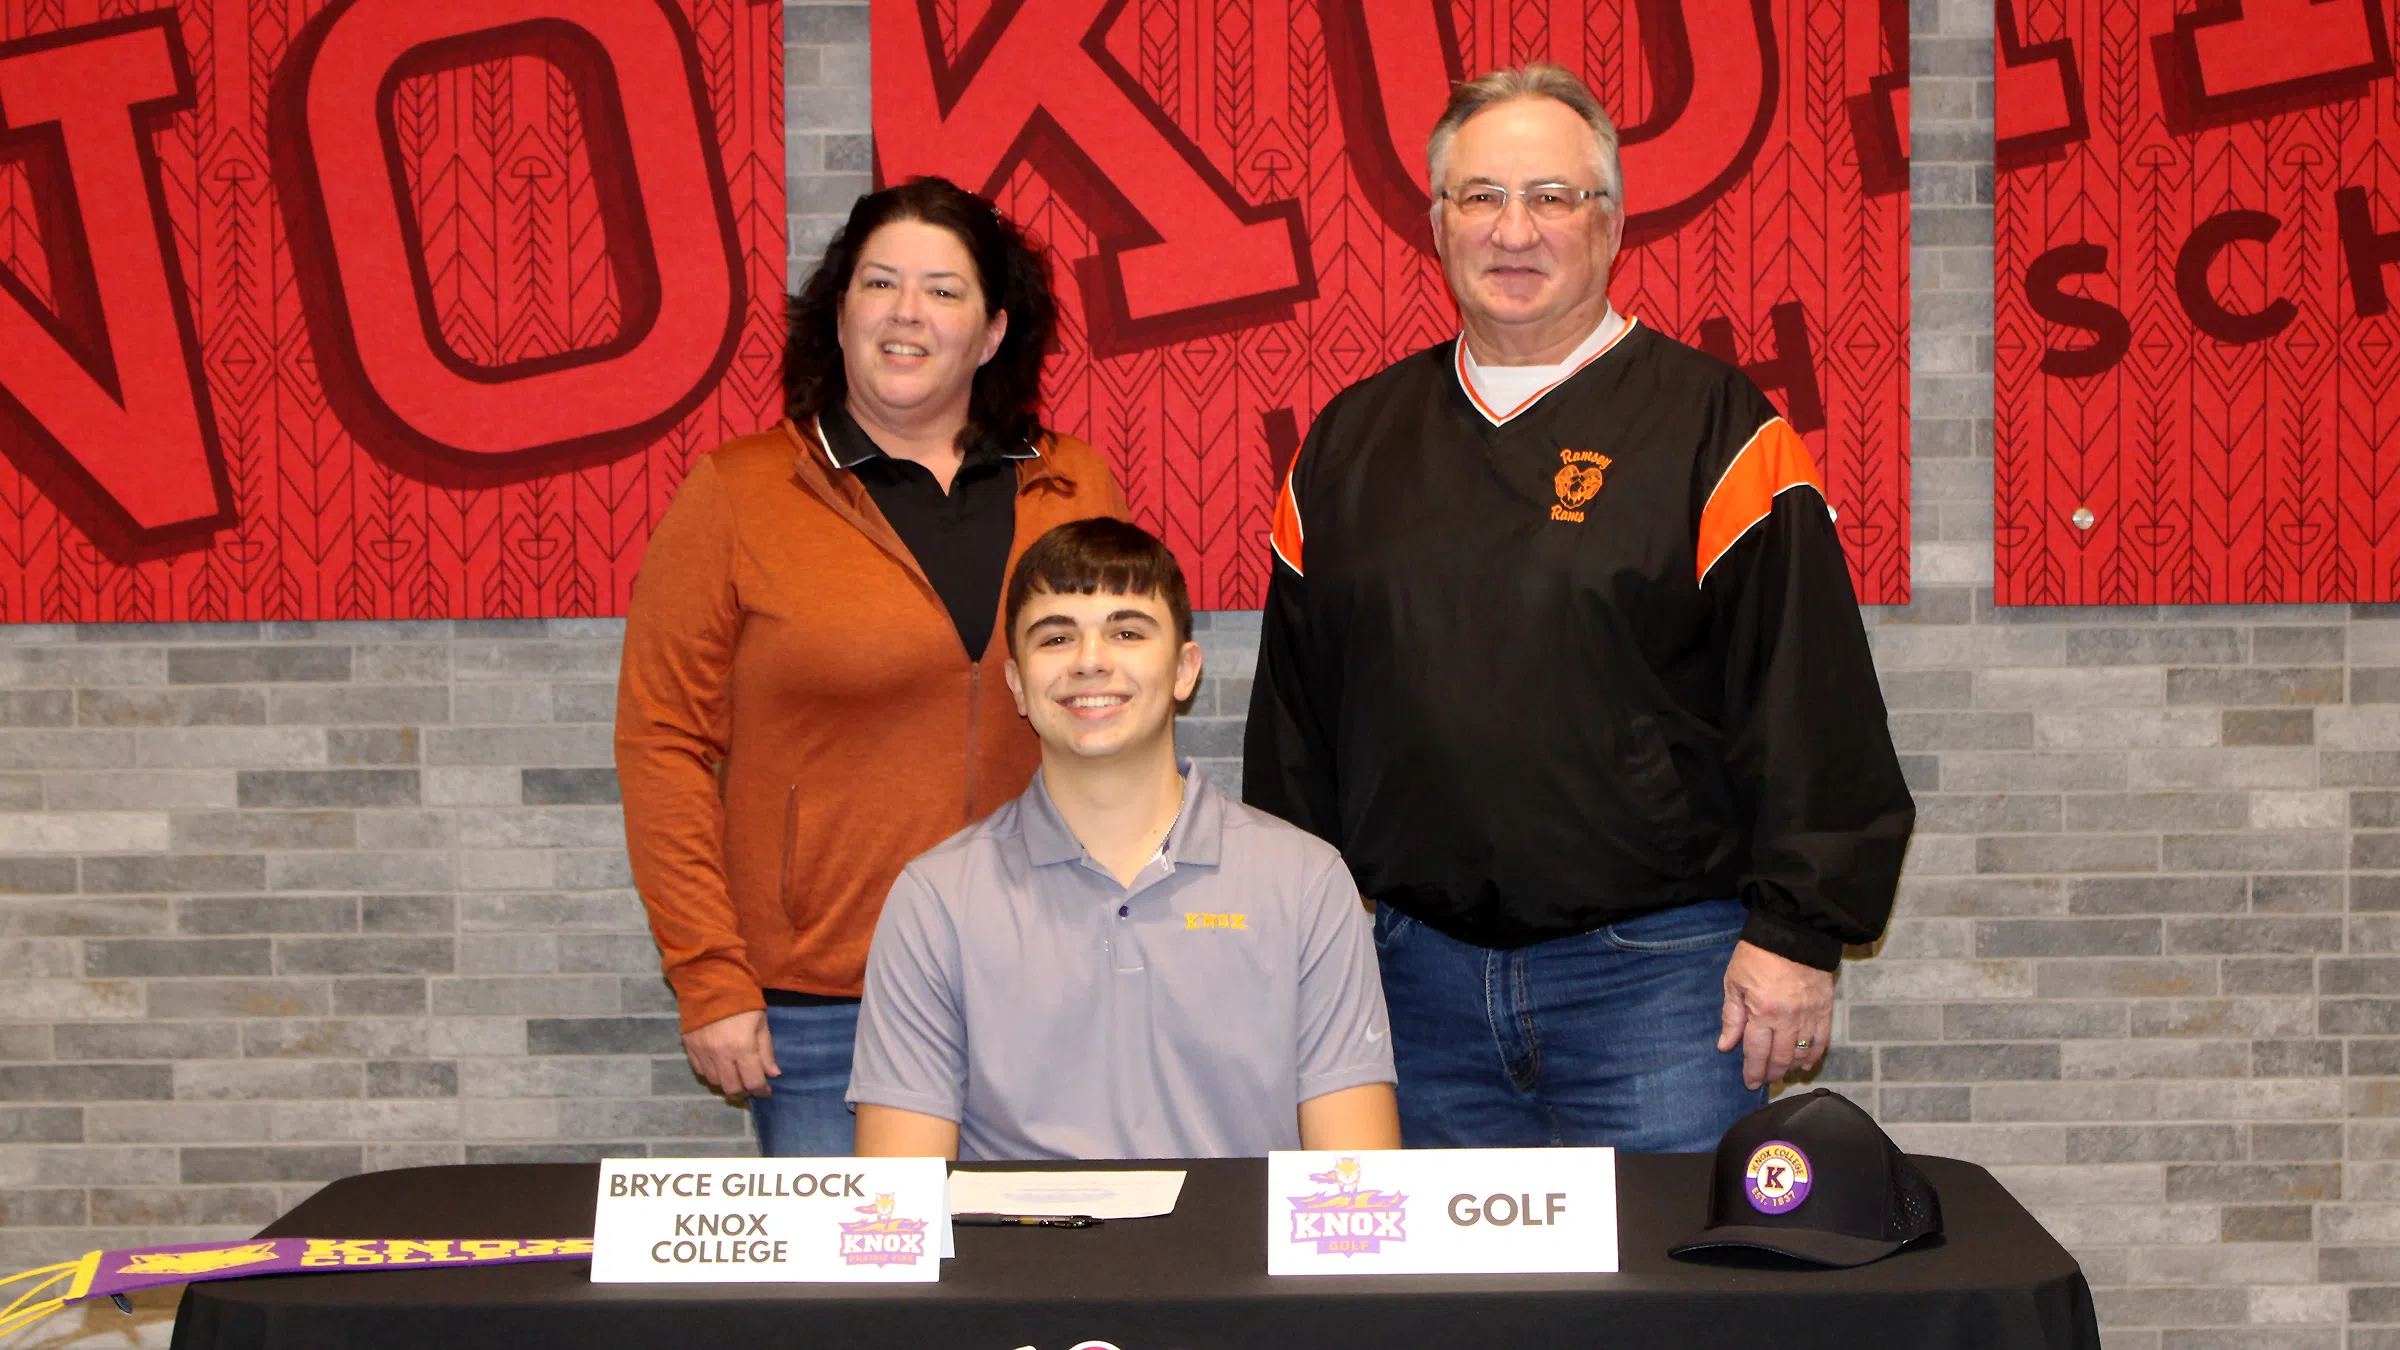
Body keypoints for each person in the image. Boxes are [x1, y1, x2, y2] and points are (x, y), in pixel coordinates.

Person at [1243, 64, 1914, 1153]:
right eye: (1482, 197)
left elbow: (1810, 695)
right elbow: (1294, 729)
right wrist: (1291, 954)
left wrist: (1798, 933)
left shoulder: (1715, 427)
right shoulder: (1348, 445)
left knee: (1671, 1309)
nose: (1515, 230)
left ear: (1609, 222)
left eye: (1552, 197)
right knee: (1447, 1314)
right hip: (1413, 984)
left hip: (1661, 985)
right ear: (1436, 222)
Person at [616, 178, 1129, 1156]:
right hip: (822, 1014)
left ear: (990, 333)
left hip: (1049, 985)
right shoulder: (740, 493)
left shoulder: (1075, 484)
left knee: (1038, 1294)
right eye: (879, 283)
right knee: (856, 1303)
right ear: (838, 313)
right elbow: (662, 745)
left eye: (943, 290)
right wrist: (711, 976)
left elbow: (1124, 722)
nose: (907, 312)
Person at [848, 518, 1400, 1160]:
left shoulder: (1305, 883)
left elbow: (1355, 1187)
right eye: (1056, 637)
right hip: (1020, 1261)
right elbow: (902, 1206)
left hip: (1239, 1260)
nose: (1090, 661)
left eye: (1128, 631)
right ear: (1018, 684)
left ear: (1185, 670)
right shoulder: (934, 900)